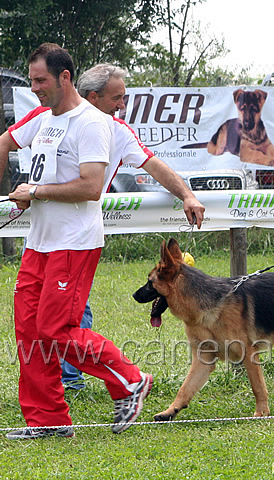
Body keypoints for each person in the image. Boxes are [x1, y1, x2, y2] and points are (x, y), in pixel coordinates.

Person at [1, 43, 152, 439]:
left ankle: (130, 379)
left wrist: (34, 191)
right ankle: (48, 421)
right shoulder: (44, 118)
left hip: (74, 243)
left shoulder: (91, 123)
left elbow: (90, 187)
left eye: (41, 81)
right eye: (32, 80)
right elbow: (3, 142)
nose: (35, 88)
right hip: (40, 243)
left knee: (55, 329)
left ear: (64, 77)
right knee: (30, 331)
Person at [58, 63, 206, 389]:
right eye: (118, 98)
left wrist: (187, 195)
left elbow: (154, 165)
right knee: (47, 313)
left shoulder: (116, 131)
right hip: (41, 234)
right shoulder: (52, 118)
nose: (122, 105)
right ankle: (63, 381)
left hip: (75, 236)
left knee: (70, 310)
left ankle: (98, 379)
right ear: (93, 97)